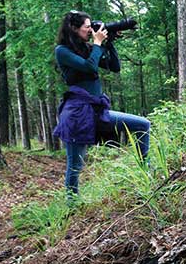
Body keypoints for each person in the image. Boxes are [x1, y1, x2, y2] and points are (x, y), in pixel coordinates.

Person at [52, 11, 150, 197]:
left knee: (142, 124)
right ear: (73, 28)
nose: (90, 31)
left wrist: (109, 42)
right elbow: (89, 66)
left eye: (91, 27)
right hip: (77, 114)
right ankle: (71, 204)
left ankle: (147, 173)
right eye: (86, 27)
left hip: (97, 110)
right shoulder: (62, 51)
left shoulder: (88, 48)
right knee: (75, 165)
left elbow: (114, 67)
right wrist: (97, 43)